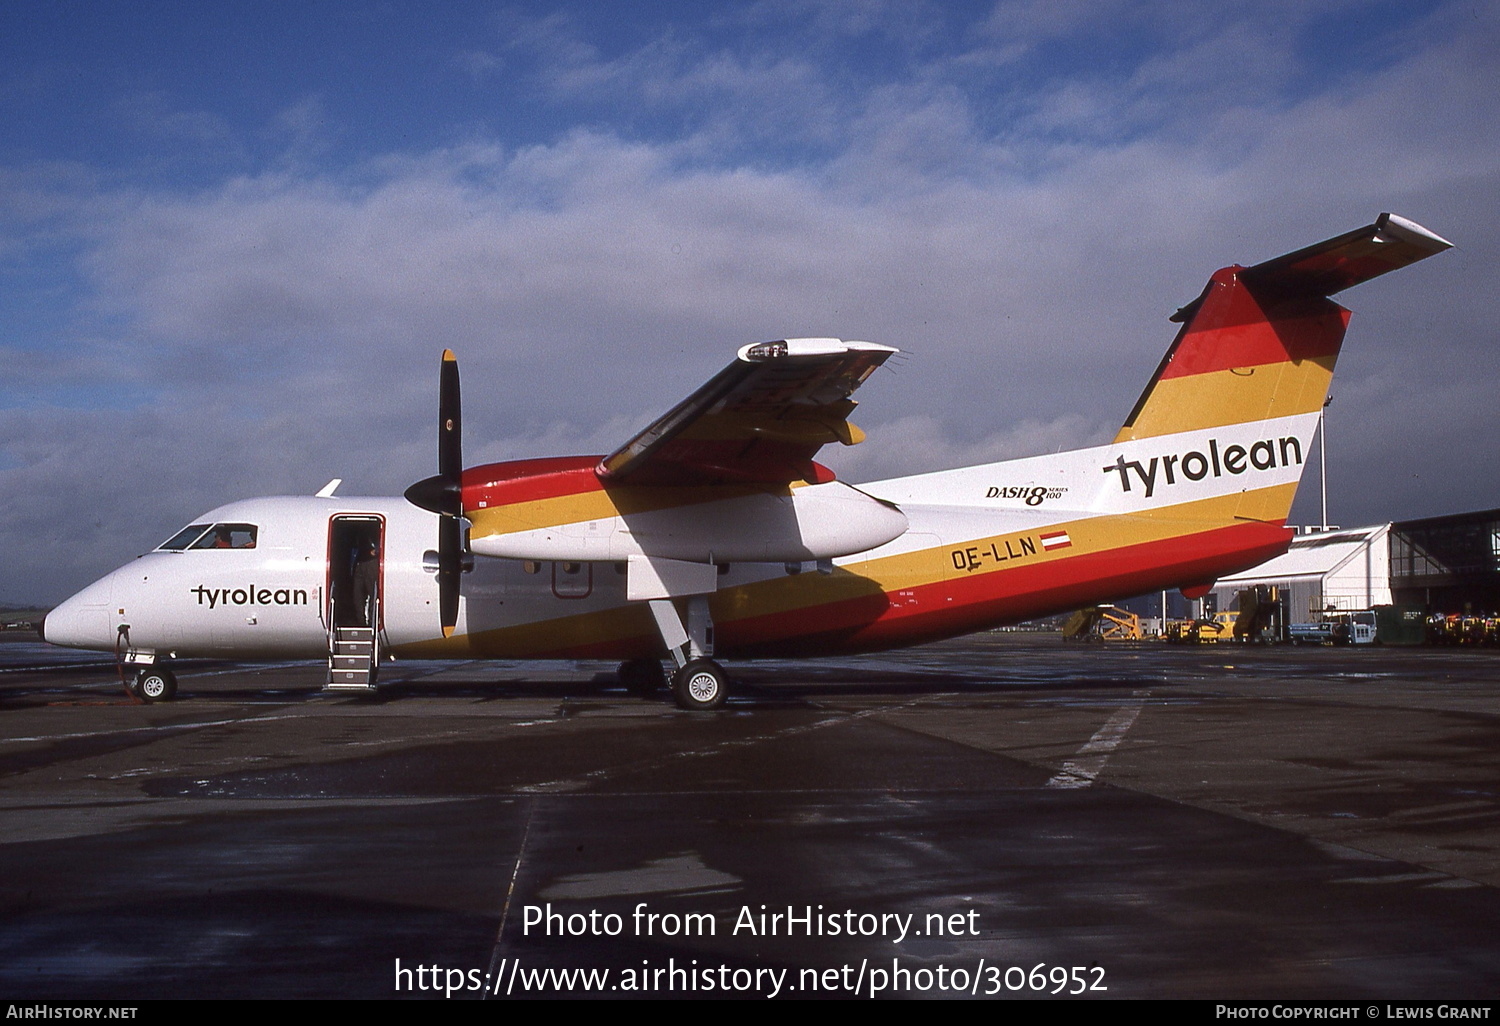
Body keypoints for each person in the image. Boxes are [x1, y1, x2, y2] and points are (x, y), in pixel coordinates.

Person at [351, 542, 379, 627]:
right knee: (357, 594)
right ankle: (361, 621)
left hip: (369, 562)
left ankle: (371, 620)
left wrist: (376, 551)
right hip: (359, 562)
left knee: (372, 593)